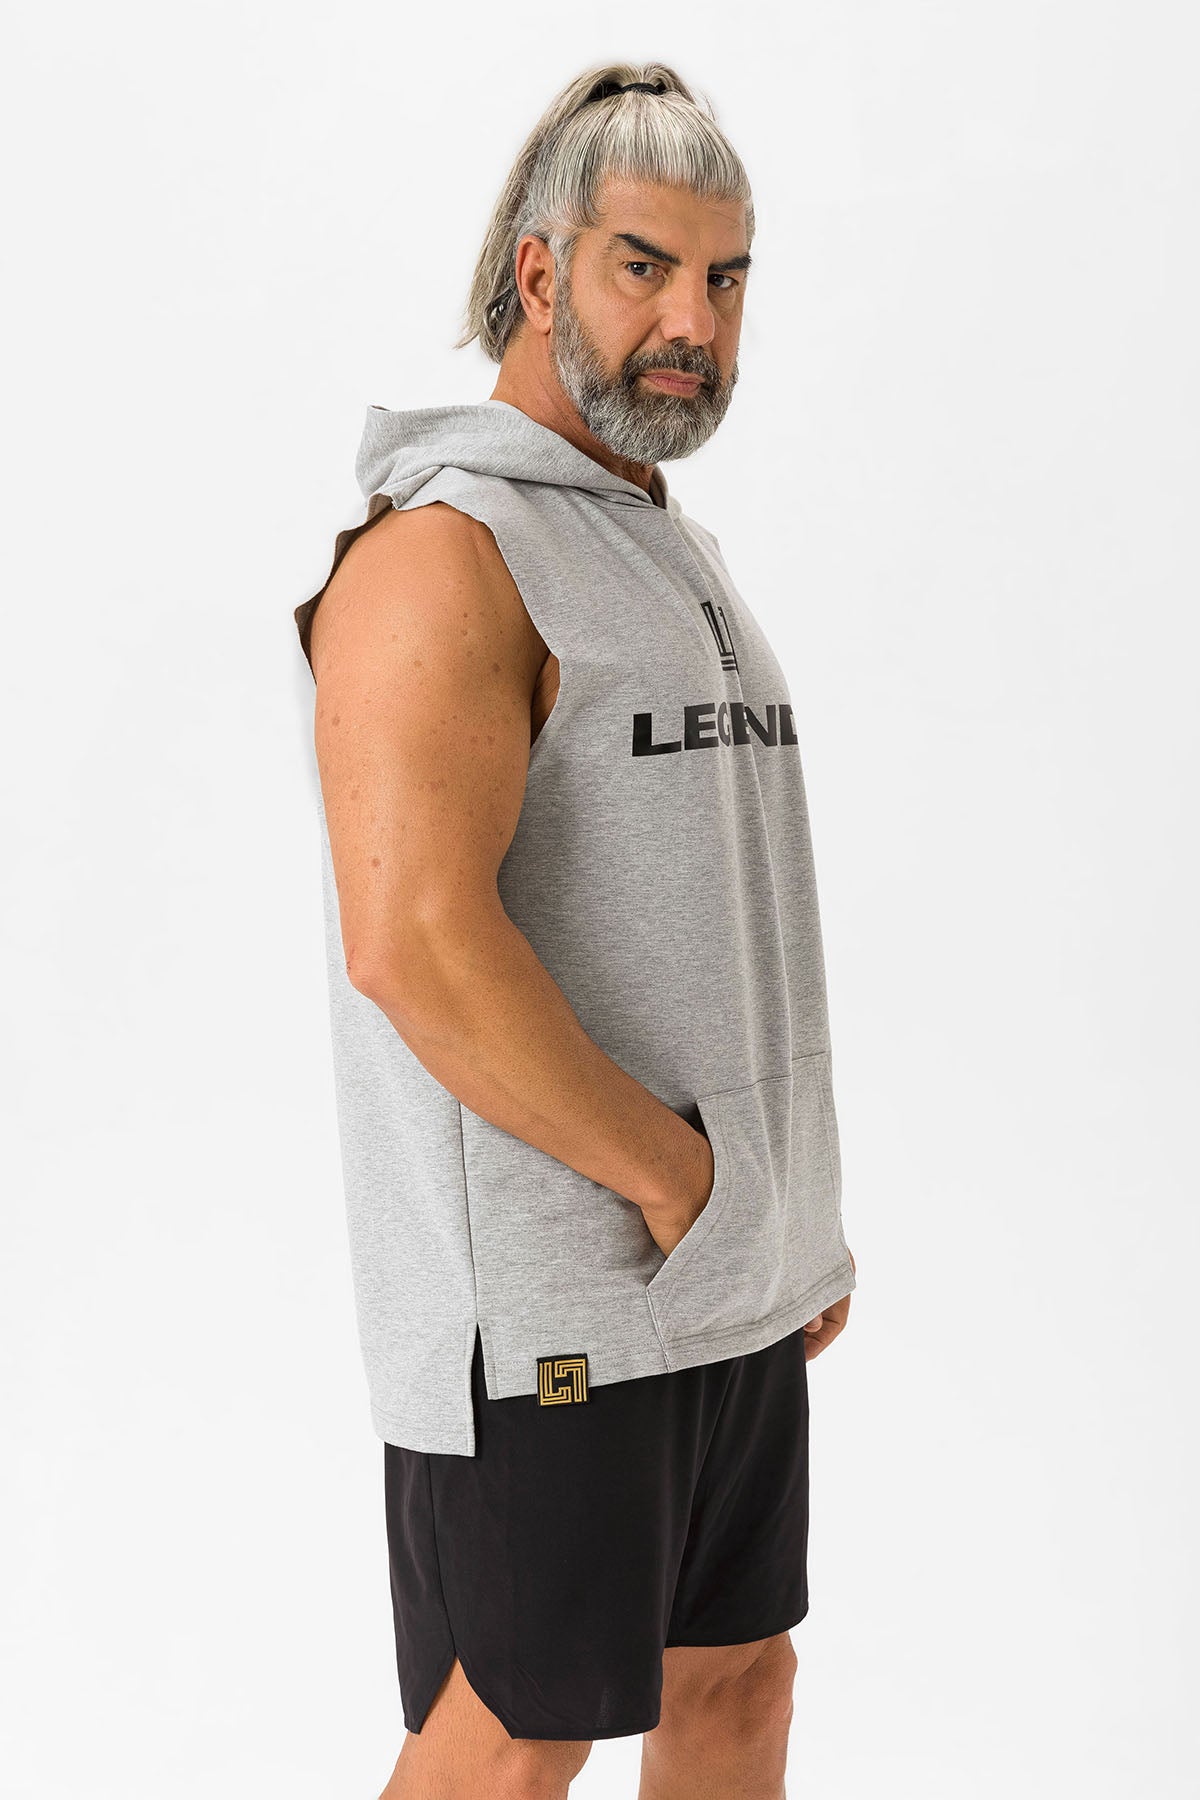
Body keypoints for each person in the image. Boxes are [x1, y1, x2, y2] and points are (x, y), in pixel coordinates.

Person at [293, 60, 857, 1800]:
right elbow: (413, 944)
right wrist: (686, 1189)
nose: (695, 320)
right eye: (644, 266)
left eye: (727, 276)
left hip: (712, 1270)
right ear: (539, 273)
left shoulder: (661, 547)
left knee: (737, 1684)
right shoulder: (446, 552)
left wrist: (776, 1229)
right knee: (520, 1728)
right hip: (552, 1303)